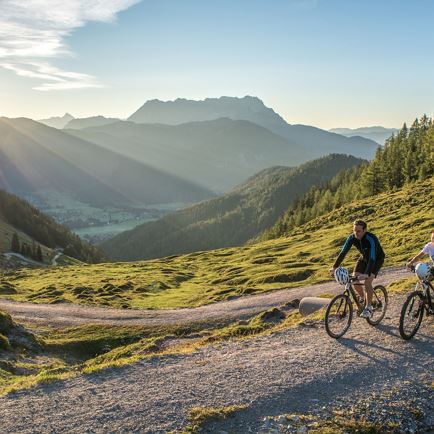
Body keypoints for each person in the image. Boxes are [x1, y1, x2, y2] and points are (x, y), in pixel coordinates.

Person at [331, 219, 385, 318]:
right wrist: (335, 267)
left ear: (365, 230)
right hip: (364, 258)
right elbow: (343, 252)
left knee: (367, 282)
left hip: (376, 260)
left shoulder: (371, 238)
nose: (356, 233)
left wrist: (367, 273)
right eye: (354, 230)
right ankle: (364, 299)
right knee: (354, 280)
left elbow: (372, 257)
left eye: (359, 231)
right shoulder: (352, 238)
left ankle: (369, 308)